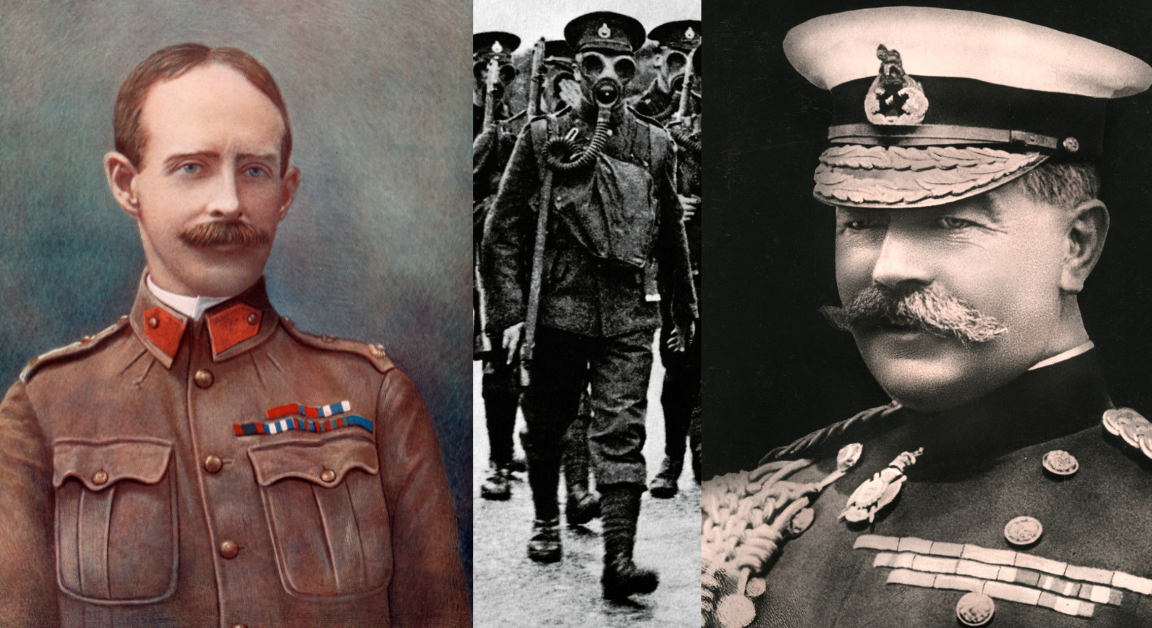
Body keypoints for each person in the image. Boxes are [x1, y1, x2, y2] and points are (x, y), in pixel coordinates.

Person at [701, 8, 1152, 628]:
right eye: (861, 222)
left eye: (951, 220)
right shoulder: (775, 498)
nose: (887, 268)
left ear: (1077, 246)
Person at [0, 43, 470, 627]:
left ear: (287, 192)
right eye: (191, 167)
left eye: (254, 171)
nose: (229, 203)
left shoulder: (377, 397)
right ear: (127, 184)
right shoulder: (43, 409)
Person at [480, 11, 698, 600]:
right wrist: (506, 315)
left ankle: (619, 561)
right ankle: (547, 518)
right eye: (595, 64)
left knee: (624, 429)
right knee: (547, 423)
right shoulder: (544, 138)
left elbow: (670, 233)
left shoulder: (655, 144)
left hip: (628, 312)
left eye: (620, 66)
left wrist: (683, 308)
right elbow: (501, 232)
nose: (608, 76)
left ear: (632, 73)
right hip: (557, 309)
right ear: (578, 69)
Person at [644, 20, 703, 499]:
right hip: (676, 263)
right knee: (678, 358)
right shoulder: (656, 124)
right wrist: (669, 207)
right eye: (680, 64)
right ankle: (671, 458)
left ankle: (706, 450)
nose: (691, 78)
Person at [473, 31, 524, 500]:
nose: (497, 80)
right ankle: (498, 460)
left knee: (519, 352)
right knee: (496, 360)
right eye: (489, 71)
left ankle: (514, 448)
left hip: (508, 248)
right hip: (472, 254)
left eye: (505, 72)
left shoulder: (514, 120)